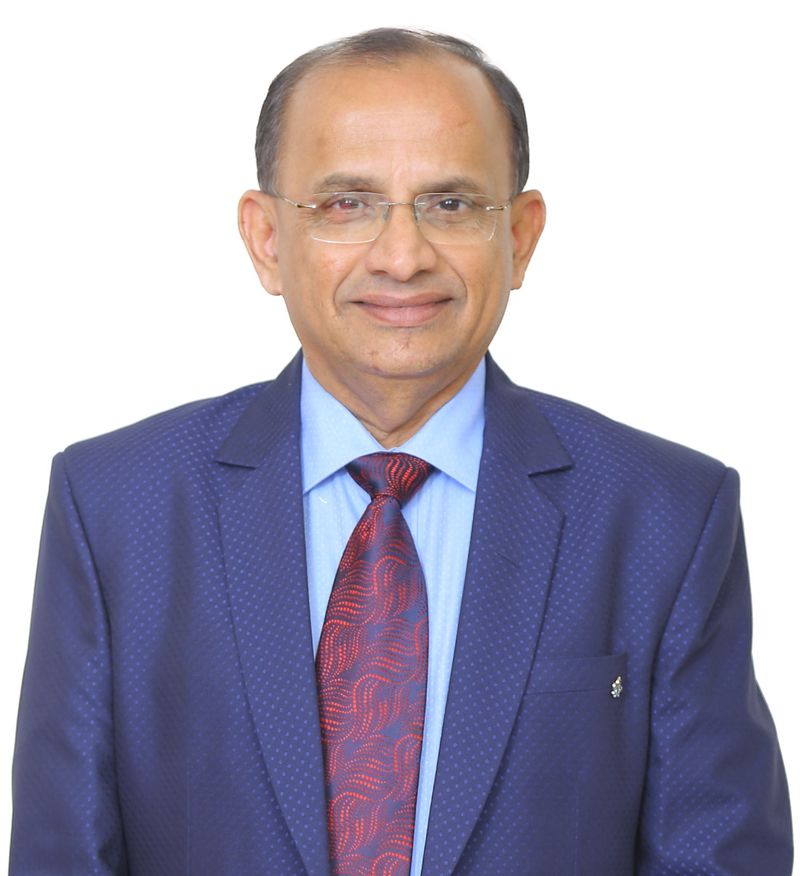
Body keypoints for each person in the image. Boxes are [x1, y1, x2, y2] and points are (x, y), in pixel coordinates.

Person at [10, 26, 792, 876]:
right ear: (266, 239)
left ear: (521, 235)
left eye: (450, 204)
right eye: (346, 204)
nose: (402, 256)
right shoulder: (115, 509)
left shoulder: (666, 518)